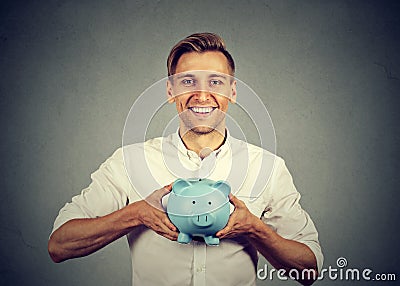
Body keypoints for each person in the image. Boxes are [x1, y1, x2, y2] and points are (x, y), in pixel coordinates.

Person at [48, 32, 323, 286]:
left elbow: (310, 269)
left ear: (232, 92)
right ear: (170, 92)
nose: (202, 95)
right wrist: (136, 214)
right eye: (188, 81)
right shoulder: (129, 162)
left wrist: (255, 229)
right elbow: (59, 245)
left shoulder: (268, 168)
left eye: (215, 82)